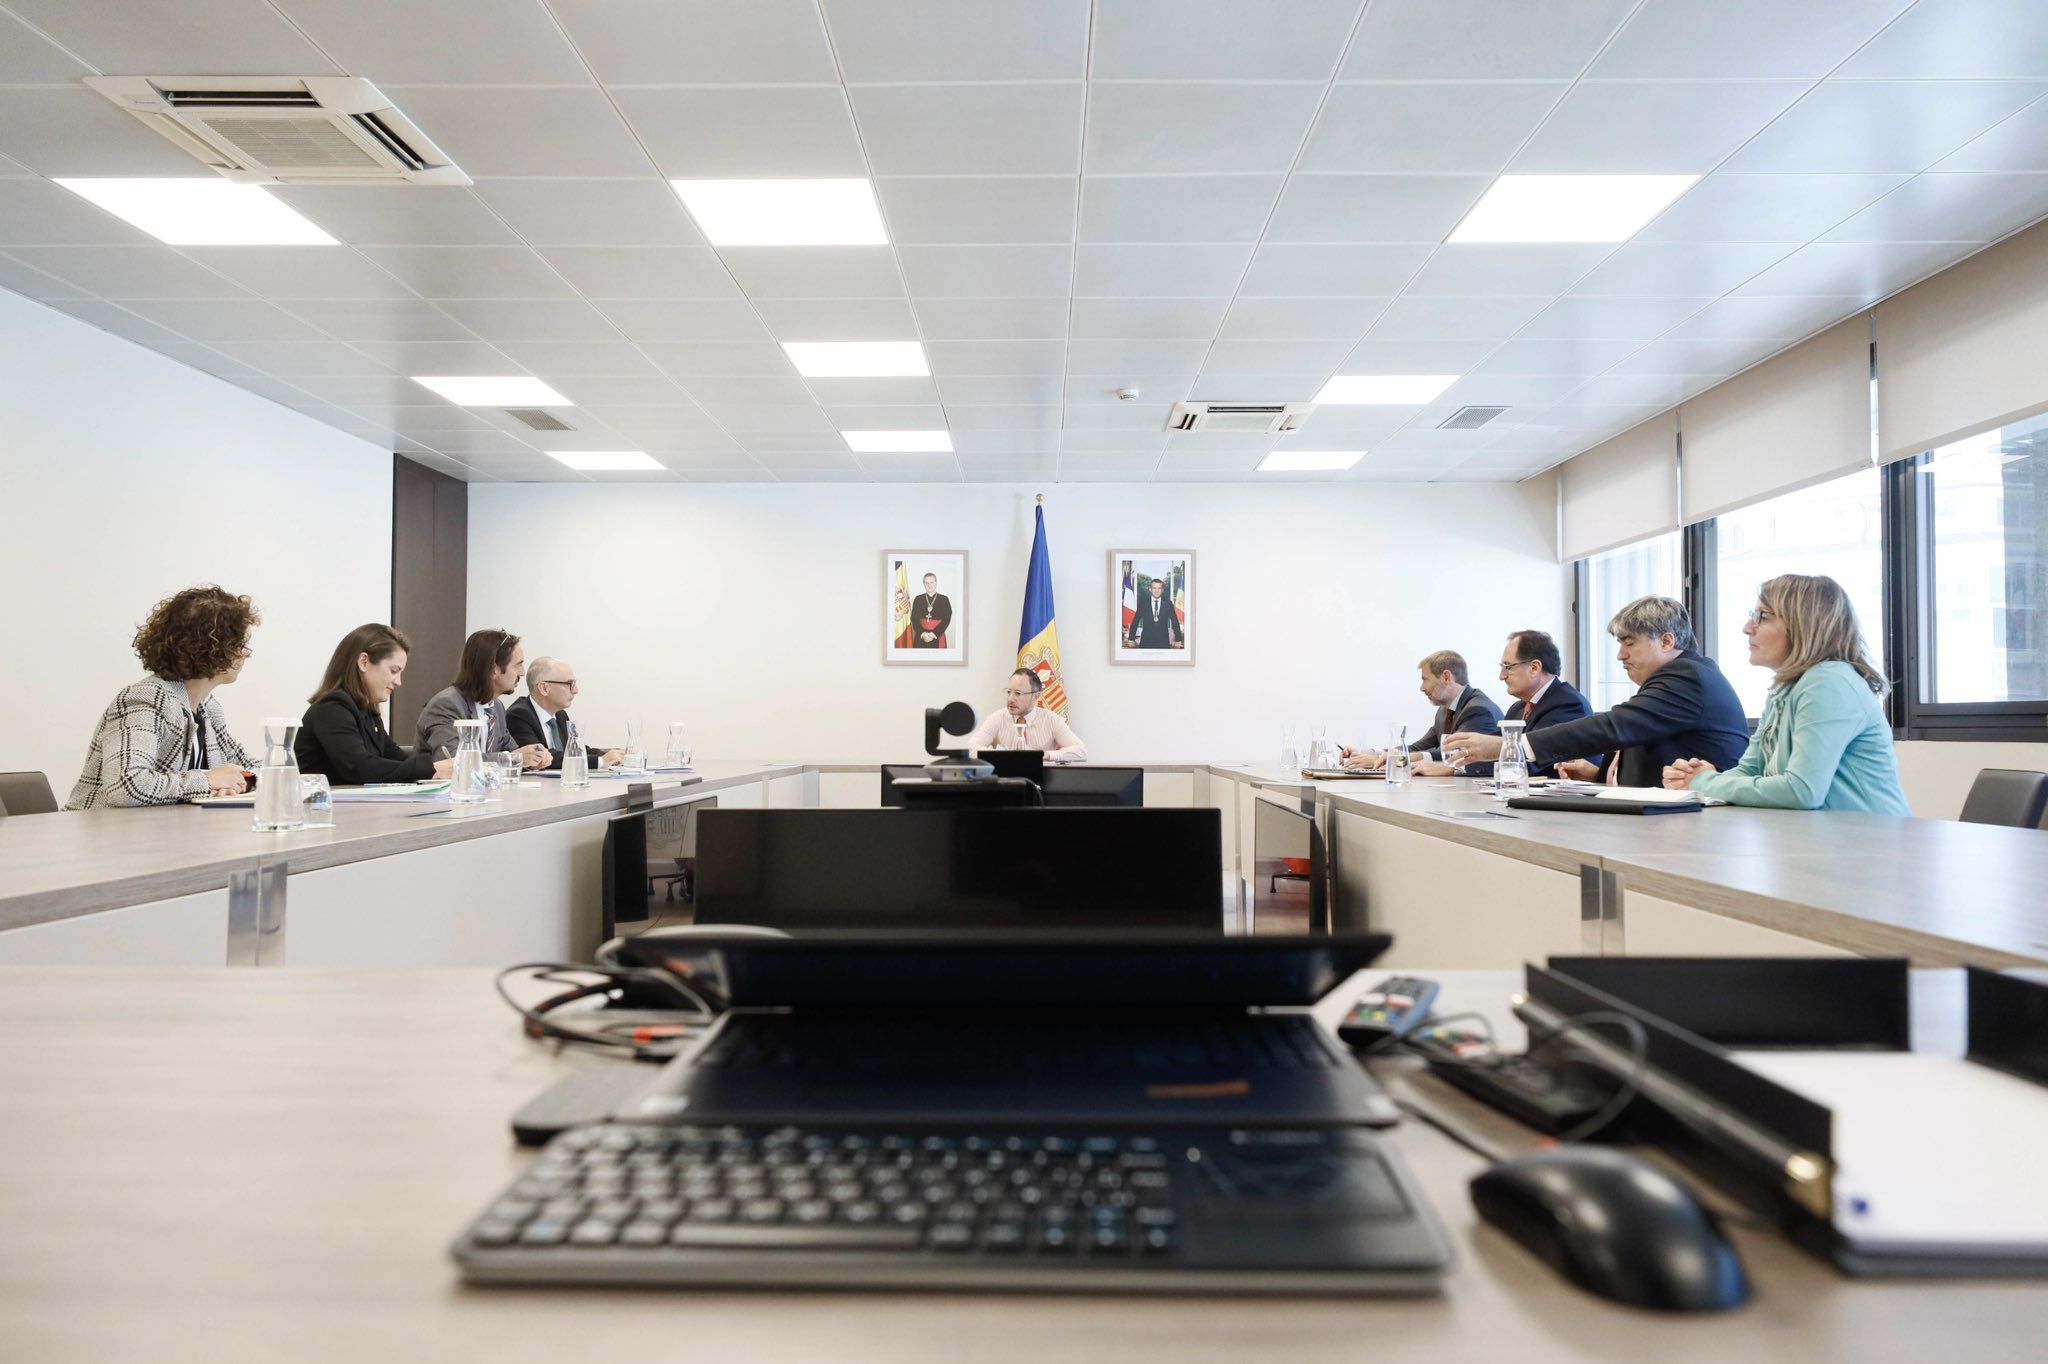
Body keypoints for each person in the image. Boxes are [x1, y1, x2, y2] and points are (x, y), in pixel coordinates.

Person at [1665, 575, 1909, 813]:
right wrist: (1700, 778)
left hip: (1871, 845)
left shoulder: (1829, 681)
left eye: (1763, 617)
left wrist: (1704, 782)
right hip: (1823, 842)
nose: (1747, 628)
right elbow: (1750, 770)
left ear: (1804, 625)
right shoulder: (1785, 685)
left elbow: (1802, 791)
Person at [1447, 596, 1747, 787]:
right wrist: (1600, 775)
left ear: (1667, 642)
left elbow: (1614, 727)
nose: (1620, 655)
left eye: (1629, 643)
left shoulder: (1688, 677)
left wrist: (1508, 747)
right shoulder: (1682, 676)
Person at [66, 585, 260, 809]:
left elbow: (249, 766)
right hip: (102, 836)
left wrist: (242, 780)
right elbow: (126, 786)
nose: (245, 653)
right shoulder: (146, 699)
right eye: (239, 645)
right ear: (211, 649)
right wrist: (208, 780)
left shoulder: (207, 708)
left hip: (165, 834)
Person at [295, 624, 453, 785]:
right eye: (393, 670)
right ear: (364, 662)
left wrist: (436, 768)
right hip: (320, 808)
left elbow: (399, 760)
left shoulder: (368, 713)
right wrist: (431, 769)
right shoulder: (331, 708)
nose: (399, 682)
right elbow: (360, 767)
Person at [1341, 651, 1501, 775]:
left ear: (1446, 677)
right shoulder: (1444, 710)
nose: (1422, 688)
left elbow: (1454, 755)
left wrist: (1386, 761)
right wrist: (1372, 753)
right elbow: (1419, 747)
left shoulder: (1478, 710)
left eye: (1425, 679)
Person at [415, 629, 549, 768]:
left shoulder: (496, 706)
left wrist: (533, 758)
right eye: (518, 665)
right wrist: (514, 759)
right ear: (494, 669)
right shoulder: (446, 705)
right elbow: (453, 762)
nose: (522, 672)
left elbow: (511, 751)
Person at [1496, 628, 1600, 780]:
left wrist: (1482, 754)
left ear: (1534, 668)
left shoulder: (1568, 704)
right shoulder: (1518, 708)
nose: (1502, 676)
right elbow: (1490, 747)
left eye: (1508, 667)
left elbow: (1535, 764)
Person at [506, 657, 624, 770]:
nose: (575, 690)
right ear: (544, 688)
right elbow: (542, 757)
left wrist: (614, 754)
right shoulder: (518, 715)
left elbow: (576, 749)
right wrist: (600, 761)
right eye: (569, 684)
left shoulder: (560, 715)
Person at [965, 669, 1089, 763]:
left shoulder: (1052, 720)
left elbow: (1081, 752)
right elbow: (970, 747)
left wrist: (1045, 755)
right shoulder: (996, 718)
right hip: (1004, 784)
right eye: (1009, 692)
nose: (1010, 699)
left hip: (1039, 786)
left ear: (1035, 696)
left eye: (1018, 693)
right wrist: (1000, 755)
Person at [1126, 576, 1184, 650]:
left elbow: (1175, 622)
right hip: (1146, 643)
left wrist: (1178, 640)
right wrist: (1131, 639)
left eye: (1159, 588)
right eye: (1154, 588)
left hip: (1163, 643)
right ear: (1150, 589)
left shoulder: (1168, 604)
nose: (1157, 591)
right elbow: (1135, 622)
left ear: (1162, 590)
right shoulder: (1143, 604)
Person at [910, 572, 952, 649]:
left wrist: (933, 634)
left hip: (937, 636)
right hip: (921, 636)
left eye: (931, 582)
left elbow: (946, 619)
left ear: (936, 583)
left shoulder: (944, 599)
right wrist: (923, 634)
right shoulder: (918, 599)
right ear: (924, 584)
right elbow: (914, 619)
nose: (929, 585)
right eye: (926, 583)